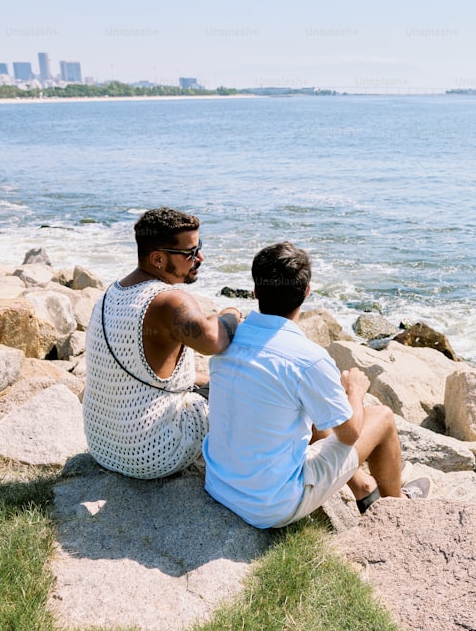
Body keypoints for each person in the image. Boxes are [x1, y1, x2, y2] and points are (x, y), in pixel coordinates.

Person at [203, 241, 430, 528]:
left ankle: (364, 490)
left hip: (220, 484)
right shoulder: (308, 358)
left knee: (312, 410)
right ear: (306, 292)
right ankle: (397, 513)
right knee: (382, 417)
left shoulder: (227, 339)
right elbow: (349, 435)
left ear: (256, 291)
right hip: (271, 505)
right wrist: (355, 392)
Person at [82, 207, 243, 479]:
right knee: (249, 388)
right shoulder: (169, 299)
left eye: (199, 247)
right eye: (190, 253)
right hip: (155, 452)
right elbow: (215, 341)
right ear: (157, 258)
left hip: (103, 447)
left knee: (207, 378)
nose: (200, 258)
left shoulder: (114, 291)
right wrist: (232, 313)